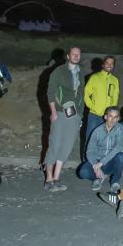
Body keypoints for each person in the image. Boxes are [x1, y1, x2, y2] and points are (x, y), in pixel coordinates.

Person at [44, 46, 84, 191]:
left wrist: (80, 116)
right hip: (60, 112)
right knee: (54, 144)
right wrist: (53, 112)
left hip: (74, 116)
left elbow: (81, 96)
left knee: (67, 146)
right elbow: (50, 92)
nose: (76, 56)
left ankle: (56, 177)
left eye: (78, 54)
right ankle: (48, 179)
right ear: (68, 56)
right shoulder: (59, 71)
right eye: (73, 54)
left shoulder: (81, 74)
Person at [79, 106, 123, 192]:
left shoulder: (120, 128)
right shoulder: (97, 131)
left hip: (110, 162)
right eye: (110, 116)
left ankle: (115, 182)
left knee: (121, 156)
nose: (112, 120)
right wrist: (96, 166)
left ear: (118, 118)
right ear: (105, 117)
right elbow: (90, 151)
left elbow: (118, 147)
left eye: (115, 117)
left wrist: (101, 163)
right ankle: (97, 178)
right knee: (83, 172)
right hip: (98, 161)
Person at [84, 55, 120, 141]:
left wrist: (113, 113)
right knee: (90, 138)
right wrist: (94, 107)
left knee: (103, 140)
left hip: (109, 117)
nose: (109, 65)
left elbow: (115, 98)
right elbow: (85, 94)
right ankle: (86, 155)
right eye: (107, 63)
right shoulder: (95, 77)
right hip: (95, 115)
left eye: (111, 63)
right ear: (103, 65)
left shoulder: (115, 80)